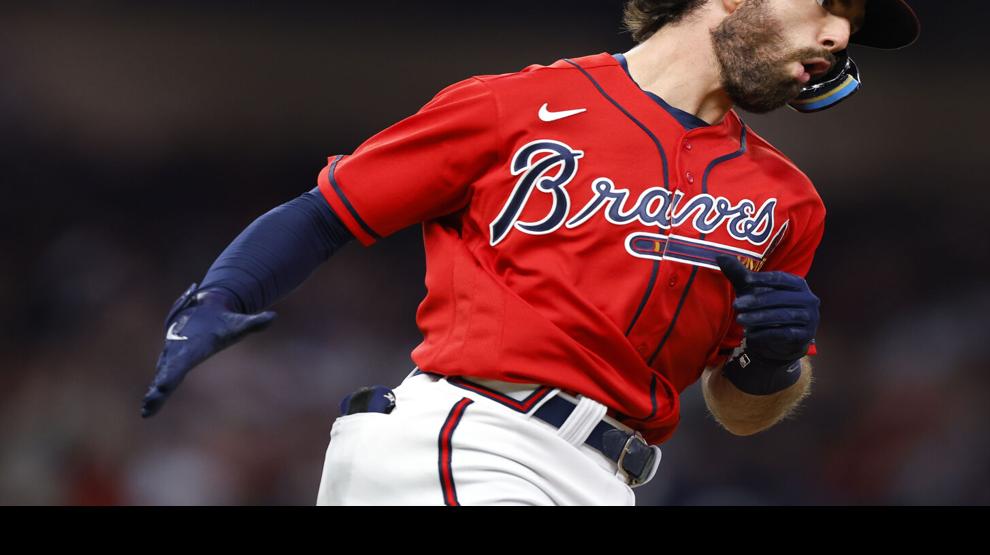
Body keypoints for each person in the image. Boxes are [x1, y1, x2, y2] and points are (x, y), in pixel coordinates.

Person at [139, 0, 919, 505]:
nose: (838, 36)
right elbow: (328, 212)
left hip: (605, 478)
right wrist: (224, 294)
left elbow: (741, 413)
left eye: (849, 24)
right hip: (472, 439)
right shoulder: (516, 107)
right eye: (828, 4)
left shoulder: (786, 201)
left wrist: (775, 362)